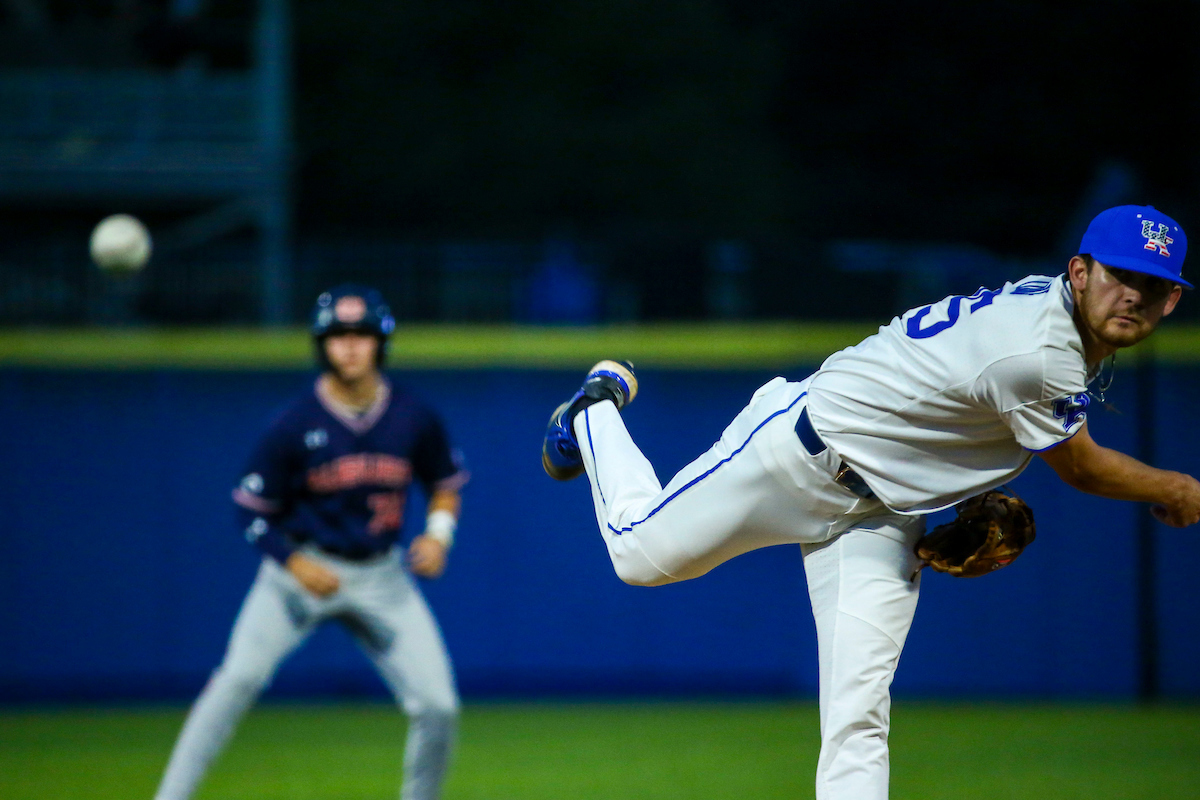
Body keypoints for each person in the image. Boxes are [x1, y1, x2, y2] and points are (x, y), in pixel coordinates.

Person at [540, 205, 1200, 800]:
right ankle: (594, 407)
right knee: (638, 555)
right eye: (1119, 275)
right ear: (1079, 272)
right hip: (795, 455)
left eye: (1152, 286)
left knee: (859, 714)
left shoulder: (1049, 316)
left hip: (881, 513)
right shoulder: (1041, 352)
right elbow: (1082, 469)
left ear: (1172, 301)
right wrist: (1179, 487)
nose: (1132, 296)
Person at [155, 285, 468, 800]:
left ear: (380, 342)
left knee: (438, 706)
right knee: (235, 681)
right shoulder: (294, 423)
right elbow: (250, 511)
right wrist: (292, 561)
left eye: (360, 334)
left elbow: (445, 484)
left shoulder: (413, 416)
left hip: (381, 576)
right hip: (297, 574)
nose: (348, 345)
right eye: (336, 335)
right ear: (321, 344)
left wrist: (439, 536)